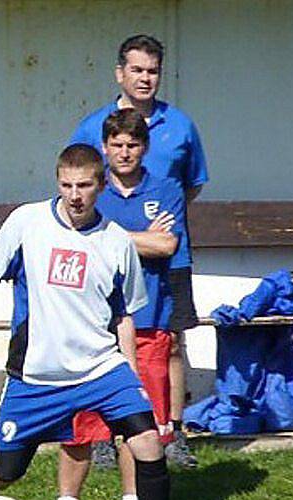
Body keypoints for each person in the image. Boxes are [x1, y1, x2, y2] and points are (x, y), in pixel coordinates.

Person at [0, 144, 190, 500]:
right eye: (66, 185)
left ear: (102, 185)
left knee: (148, 443)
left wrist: (129, 370)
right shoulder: (27, 222)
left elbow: (123, 314)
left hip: (101, 368)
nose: (74, 195)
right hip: (38, 375)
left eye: (84, 186)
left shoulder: (116, 242)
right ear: (58, 183)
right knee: (8, 468)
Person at [70, 34, 208, 467]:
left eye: (152, 71)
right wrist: (129, 235)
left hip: (169, 260)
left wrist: (159, 225)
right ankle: (103, 435)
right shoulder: (93, 126)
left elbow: (192, 184)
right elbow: (77, 186)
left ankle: (173, 432)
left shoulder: (180, 125)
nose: (145, 78)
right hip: (106, 264)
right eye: (137, 70)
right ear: (120, 74)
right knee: (103, 342)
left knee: (168, 344)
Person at [47, 109, 184, 500]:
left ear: (144, 148)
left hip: (148, 321)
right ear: (105, 149)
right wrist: (137, 235)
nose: (124, 152)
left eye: (133, 145)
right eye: (117, 145)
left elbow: (166, 244)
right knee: (79, 422)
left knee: (139, 422)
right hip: (91, 325)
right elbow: (72, 236)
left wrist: (110, 235)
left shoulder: (166, 189)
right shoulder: (91, 189)